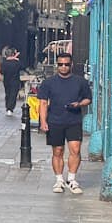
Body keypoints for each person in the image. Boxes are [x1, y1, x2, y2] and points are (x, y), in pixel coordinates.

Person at [37, 54, 93, 194]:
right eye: (61, 64)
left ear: (71, 65)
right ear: (57, 65)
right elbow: (43, 103)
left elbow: (88, 99)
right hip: (55, 121)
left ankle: (72, 179)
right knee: (58, 151)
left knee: (75, 150)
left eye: (66, 64)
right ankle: (59, 180)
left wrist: (79, 104)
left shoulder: (80, 82)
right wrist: (43, 122)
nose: (63, 67)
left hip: (73, 120)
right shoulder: (48, 83)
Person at [1, 47, 23, 116]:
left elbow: (2, 72)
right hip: (15, 81)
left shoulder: (4, 63)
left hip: (6, 81)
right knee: (13, 95)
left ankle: (7, 107)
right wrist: (15, 58)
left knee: (7, 94)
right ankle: (10, 108)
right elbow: (22, 67)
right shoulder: (16, 62)